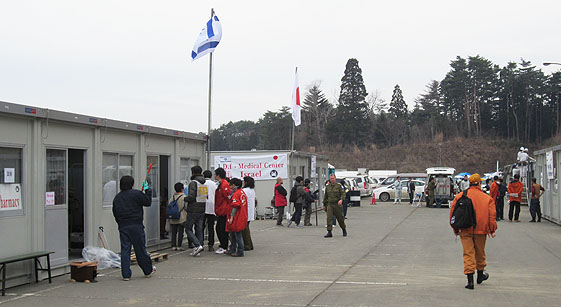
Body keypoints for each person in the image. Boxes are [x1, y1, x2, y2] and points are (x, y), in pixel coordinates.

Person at [449, 173, 497, 290]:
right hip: (481, 230)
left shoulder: (460, 196)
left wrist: (455, 228)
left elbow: (453, 214)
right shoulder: (487, 198)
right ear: (479, 184)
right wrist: (492, 229)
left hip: (465, 229)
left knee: (468, 253)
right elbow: (492, 216)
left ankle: (470, 280)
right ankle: (480, 276)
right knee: (480, 252)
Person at [112, 175, 156, 281]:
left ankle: (126, 274)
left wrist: (120, 223)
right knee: (140, 249)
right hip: (136, 225)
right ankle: (147, 270)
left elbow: (115, 212)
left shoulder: (117, 197)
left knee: (125, 250)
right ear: (132, 184)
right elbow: (147, 202)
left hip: (123, 226)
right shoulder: (136, 194)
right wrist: (147, 190)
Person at [184, 166, 207, 256]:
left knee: (188, 229)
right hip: (202, 208)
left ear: (193, 172)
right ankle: (199, 246)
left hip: (193, 209)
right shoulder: (204, 183)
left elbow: (192, 197)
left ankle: (197, 245)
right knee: (199, 229)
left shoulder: (193, 183)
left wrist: (185, 198)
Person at [226, 178, 248, 257]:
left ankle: (240, 251)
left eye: (231, 185)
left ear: (234, 185)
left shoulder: (236, 194)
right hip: (243, 215)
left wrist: (231, 217)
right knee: (234, 234)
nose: (230, 187)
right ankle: (232, 249)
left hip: (237, 216)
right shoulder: (242, 192)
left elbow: (235, 206)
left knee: (238, 234)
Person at [214, 167, 231, 254]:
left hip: (224, 210)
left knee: (221, 229)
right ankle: (223, 245)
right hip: (220, 210)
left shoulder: (224, 185)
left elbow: (228, 197)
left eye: (215, 174)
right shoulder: (220, 184)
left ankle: (224, 246)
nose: (214, 176)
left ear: (218, 175)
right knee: (219, 228)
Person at [169, 182, 187, 251]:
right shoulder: (184, 197)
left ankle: (173, 245)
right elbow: (186, 207)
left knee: (174, 232)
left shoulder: (172, 197)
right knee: (180, 232)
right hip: (181, 217)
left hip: (173, 217)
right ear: (182, 189)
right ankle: (179, 245)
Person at [202, 170, 217, 251]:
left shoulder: (202, 184)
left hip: (203, 207)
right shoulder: (214, 184)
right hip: (212, 207)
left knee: (201, 227)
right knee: (211, 227)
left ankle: (200, 243)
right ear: (211, 176)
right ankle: (210, 244)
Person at [242, 176, 255, 250]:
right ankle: (249, 244)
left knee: (245, 230)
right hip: (249, 212)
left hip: (245, 212)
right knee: (246, 229)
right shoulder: (252, 190)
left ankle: (247, 245)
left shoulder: (245, 190)